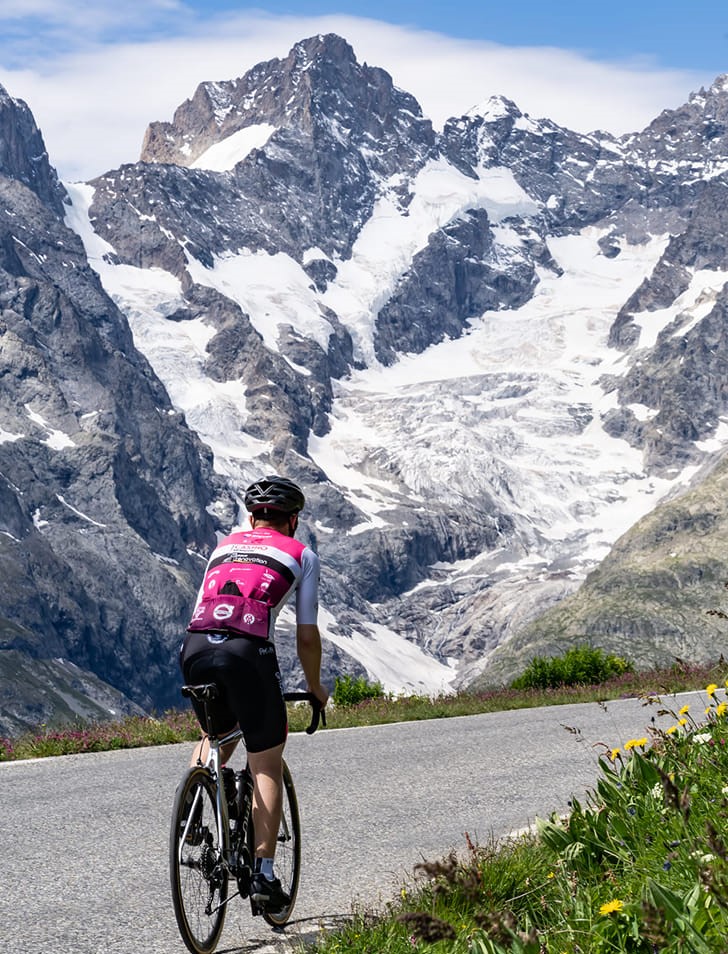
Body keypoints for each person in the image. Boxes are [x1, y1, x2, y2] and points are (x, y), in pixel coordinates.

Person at [179, 475, 328, 911]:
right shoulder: (302, 554)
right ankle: (264, 875)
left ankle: (198, 795)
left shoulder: (223, 547)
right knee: (265, 758)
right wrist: (316, 688)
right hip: (246, 653)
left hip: (195, 647)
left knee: (216, 736)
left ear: (251, 517)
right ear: (294, 520)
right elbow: (306, 637)